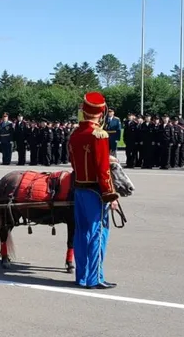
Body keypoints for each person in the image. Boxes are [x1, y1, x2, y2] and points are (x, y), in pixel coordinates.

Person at [69, 91, 119, 290]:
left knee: (81, 234)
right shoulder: (99, 135)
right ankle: (94, 278)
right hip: (95, 192)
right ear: (101, 112)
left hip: (79, 189)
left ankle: (81, 276)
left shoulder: (75, 134)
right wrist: (110, 194)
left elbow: (74, 161)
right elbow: (102, 169)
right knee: (98, 234)